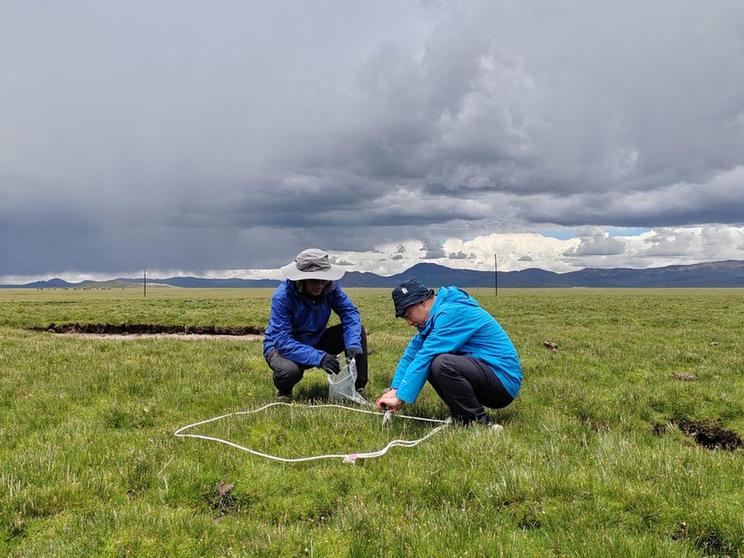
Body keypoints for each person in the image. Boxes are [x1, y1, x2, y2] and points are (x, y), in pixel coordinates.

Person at [376, 278, 522, 428]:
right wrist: (395, 390)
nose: (409, 323)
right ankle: (462, 416)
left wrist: (401, 398)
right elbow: (411, 354)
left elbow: (426, 355)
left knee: (440, 363)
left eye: (408, 315)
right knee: (433, 362)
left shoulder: (451, 312)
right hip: (486, 375)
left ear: (423, 302)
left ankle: (479, 422)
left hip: (503, 381)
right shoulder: (433, 319)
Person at [263, 248, 368, 403]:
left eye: (323, 280)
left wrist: (352, 344)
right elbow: (282, 341)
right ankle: (284, 391)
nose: (319, 285)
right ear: (301, 279)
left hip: (316, 339)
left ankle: (358, 388)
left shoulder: (331, 287)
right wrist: (320, 358)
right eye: (314, 281)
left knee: (357, 331)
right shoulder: (283, 296)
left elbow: (349, 313)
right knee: (289, 372)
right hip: (280, 347)